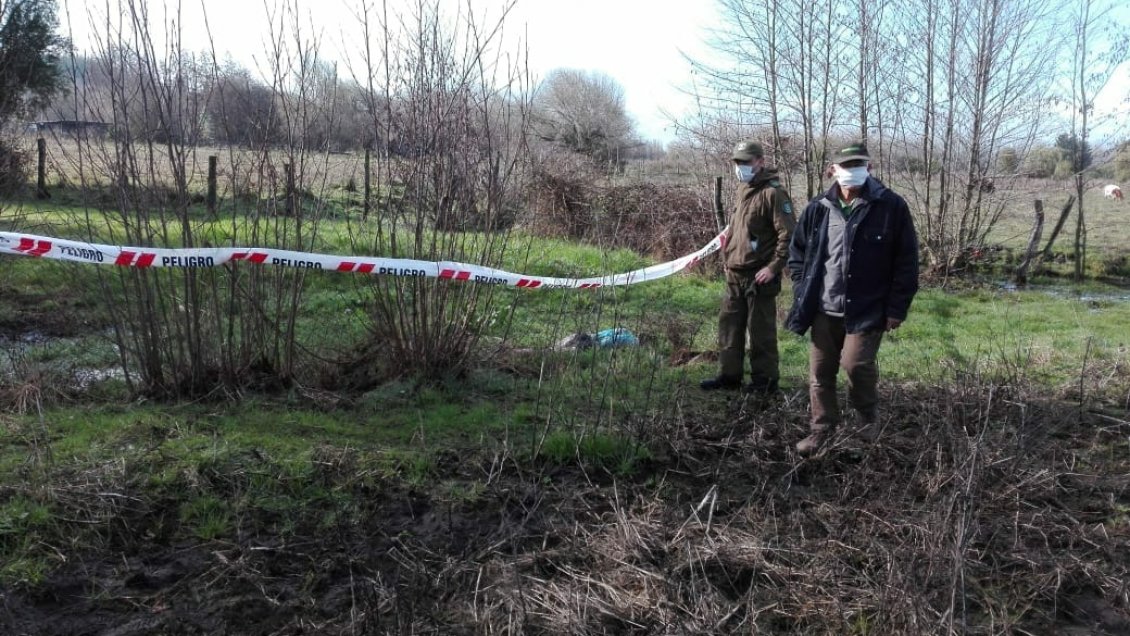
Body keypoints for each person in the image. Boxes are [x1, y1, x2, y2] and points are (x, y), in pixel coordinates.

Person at [785, 142, 919, 455]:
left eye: (859, 163)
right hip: (823, 308)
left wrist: (897, 307)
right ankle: (821, 431)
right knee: (820, 374)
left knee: (856, 365)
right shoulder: (818, 208)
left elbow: (907, 261)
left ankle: (866, 429)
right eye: (846, 165)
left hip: (868, 308)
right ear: (832, 170)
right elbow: (798, 253)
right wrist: (802, 289)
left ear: (870, 168)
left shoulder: (891, 206)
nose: (852, 170)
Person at [701, 140, 796, 393]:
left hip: (760, 276)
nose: (740, 167)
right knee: (729, 329)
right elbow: (736, 231)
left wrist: (774, 268)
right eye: (737, 162)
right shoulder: (743, 190)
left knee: (760, 332)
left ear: (760, 162)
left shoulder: (774, 193)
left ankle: (764, 383)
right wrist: (727, 260)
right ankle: (728, 377)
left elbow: (789, 235)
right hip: (734, 273)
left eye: (746, 162)